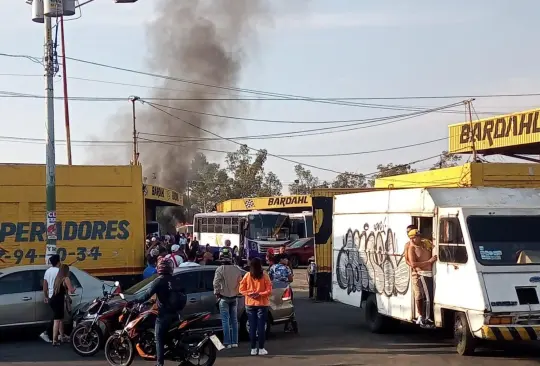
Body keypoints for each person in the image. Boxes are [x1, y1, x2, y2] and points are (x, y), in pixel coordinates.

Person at [136, 258, 184, 366]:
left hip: (164, 316)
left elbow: (146, 295)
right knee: (170, 338)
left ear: (159, 268)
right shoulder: (175, 279)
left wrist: (134, 300)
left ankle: (159, 363)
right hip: (176, 314)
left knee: (158, 338)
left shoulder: (159, 281)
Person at [239, 257, 272, 356]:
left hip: (249, 304)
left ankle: (253, 348)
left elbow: (241, 289)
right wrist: (260, 294)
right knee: (261, 327)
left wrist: (249, 293)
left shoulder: (247, 275)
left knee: (252, 327)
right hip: (262, 304)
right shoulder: (264, 275)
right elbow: (269, 290)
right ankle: (261, 348)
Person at [406, 229, 437, 328]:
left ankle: (427, 316)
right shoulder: (411, 248)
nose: (419, 238)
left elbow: (434, 247)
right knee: (427, 297)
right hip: (421, 274)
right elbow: (413, 263)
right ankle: (426, 318)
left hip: (430, 273)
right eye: (416, 236)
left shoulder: (425, 244)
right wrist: (429, 262)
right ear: (412, 238)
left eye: (419, 236)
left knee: (431, 296)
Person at [213, 248, 243, 348]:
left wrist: (217, 293)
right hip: (235, 298)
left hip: (223, 298)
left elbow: (215, 283)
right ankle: (235, 342)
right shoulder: (237, 269)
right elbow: (241, 283)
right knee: (234, 320)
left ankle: (227, 343)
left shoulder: (220, 269)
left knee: (225, 321)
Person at [50, 264, 76, 345]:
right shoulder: (66, 278)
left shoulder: (58, 278)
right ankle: (55, 340)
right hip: (58, 301)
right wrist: (74, 288)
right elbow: (71, 290)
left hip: (53, 300)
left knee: (60, 319)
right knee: (57, 320)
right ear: (66, 271)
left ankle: (62, 337)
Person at [40, 254, 61, 343]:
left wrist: (46, 296)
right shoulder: (60, 271)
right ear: (58, 262)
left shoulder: (47, 271)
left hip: (51, 297)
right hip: (58, 296)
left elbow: (45, 286)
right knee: (57, 317)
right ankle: (49, 334)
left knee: (58, 316)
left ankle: (60, 335)